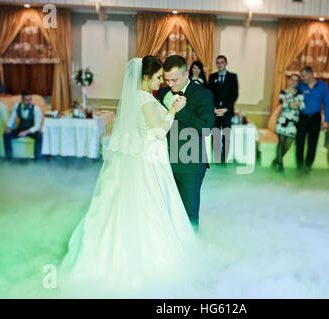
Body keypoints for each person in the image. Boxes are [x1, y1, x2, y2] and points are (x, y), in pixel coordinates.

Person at [59, 57, 200, 295]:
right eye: (156, 78)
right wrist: (174, 110)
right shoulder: (145, 99)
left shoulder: (134, 97)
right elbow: (158, 131)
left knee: (125, 202)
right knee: (149, 204)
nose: (159, 83)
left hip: (138, 155)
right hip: (149, 159)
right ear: (145, 77)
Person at [155, 55, 215, 232]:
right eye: (167, 80)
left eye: (175, 79)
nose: (171, 84)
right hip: (164, 164)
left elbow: (206, 128)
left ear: (187, 74)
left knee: (189, 215)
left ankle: (192, 253)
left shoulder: (203, 94)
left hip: (191, 165)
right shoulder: (161, 94)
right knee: (166, 213)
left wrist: (179, 111)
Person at [296, 66, 329, 173]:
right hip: (302, 117)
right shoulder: (300, 86)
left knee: (313, 143)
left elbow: (327, 104)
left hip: (315, 117)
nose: (301, 78)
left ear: (310, 74)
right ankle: (300, 165)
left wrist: (326, 121)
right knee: (300, 142)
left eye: (303, 75)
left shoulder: (323, 86)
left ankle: (308, 166)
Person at [208, 55, 239, 163]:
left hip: (227, 112)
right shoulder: (212, 77)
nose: (220, 64)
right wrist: (214, 108)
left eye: (222, 62)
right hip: (215, 112)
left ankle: (224, 159)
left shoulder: (233, 77)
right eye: (218, 62)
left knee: (226, 136)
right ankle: (217, 157)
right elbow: (209, 94)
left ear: (226, 63)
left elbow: (234, 95)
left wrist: (226, 109)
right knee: (215, 135)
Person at [274, 74, 305, 172]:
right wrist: (295, 104)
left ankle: (276, 160)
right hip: (283, 120)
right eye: (292, 79)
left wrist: (290, 103)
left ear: (298, 83)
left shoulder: (300, 93)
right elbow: (284, 104)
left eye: (296, 80)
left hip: (294, 122)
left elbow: (302, 107)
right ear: (289, 80)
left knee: (288, 144)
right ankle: (280, 164)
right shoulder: (282, 92)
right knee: (281, 143)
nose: (294, 82)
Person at [3, 91, 43, 160]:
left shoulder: (36, 109)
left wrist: (26, 132)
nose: (29, 102)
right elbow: (12, 118)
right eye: (26, 100)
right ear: (22, 100)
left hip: (31, 130)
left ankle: (37, 158)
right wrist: (8, 127)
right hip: (20, 128)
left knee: (39, 136)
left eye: (30, 99)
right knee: (6, 134)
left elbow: (37, 126)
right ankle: (8, 157)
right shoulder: (17, 106)